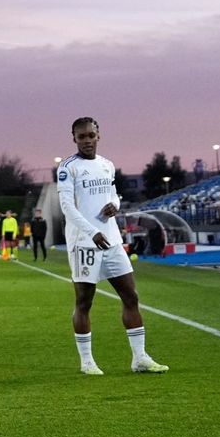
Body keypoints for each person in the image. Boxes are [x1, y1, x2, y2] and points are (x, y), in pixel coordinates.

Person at [55, 118, 167, 376]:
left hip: (112, 240)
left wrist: (115, 204)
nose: (86, 140)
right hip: (84, 242)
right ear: (74, 139)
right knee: (84, 301)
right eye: (81, 136)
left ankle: (139, 358)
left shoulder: (107, 165)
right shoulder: (67, 168)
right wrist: (91, 231)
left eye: (90, 135)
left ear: (98, 136)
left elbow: (113, 194)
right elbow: (67, 207)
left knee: (131, 296)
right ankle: (87, 362)